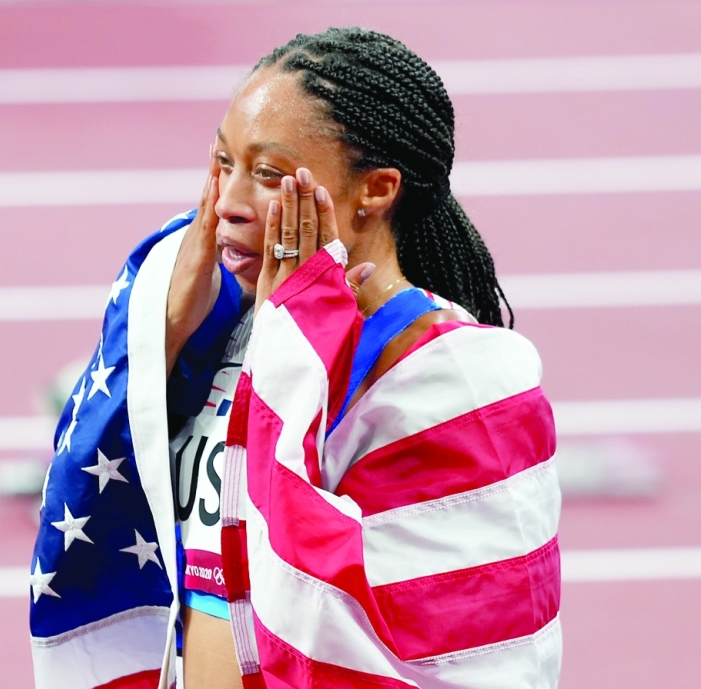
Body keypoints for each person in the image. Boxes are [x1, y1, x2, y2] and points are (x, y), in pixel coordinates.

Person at [29, 28, 561, 689]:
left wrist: (292, 348)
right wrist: (159, 339)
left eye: (270, 174)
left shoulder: (457, 380)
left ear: (377, 188)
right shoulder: (221, 336)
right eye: (224, 162)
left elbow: (421, 643)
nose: (228, 203)